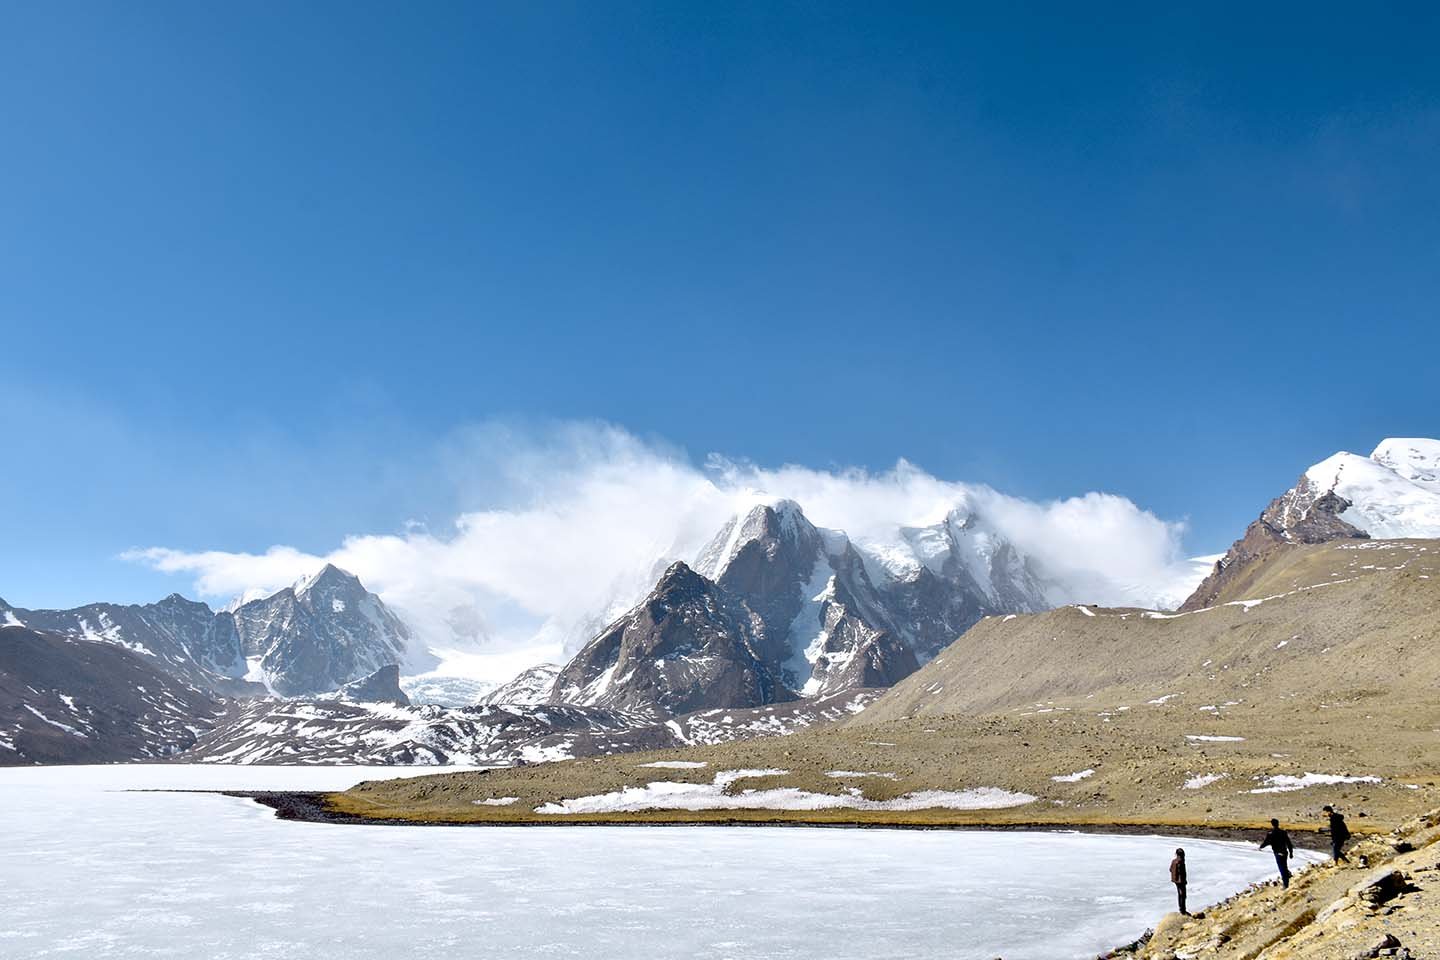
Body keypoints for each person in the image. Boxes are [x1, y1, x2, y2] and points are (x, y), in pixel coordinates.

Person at [1259, 818, 1295, 887]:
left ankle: (1286, 885)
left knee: (1282, 868)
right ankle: (1287, 877)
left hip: (1277, 853)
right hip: (1285, 852)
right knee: (1284, 866)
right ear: (1278, 824)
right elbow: (1289, 843)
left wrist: (1261, 847)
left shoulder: (1271, 834)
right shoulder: (1283, 832)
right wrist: (1291, 853)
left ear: (1272, 824)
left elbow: (1266, 842)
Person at [1170, 847, 1188, 915]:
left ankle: (1181, 909)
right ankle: (1183, 910)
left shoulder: (1174, 861)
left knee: (1180, 894)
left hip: (1176, 880)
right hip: (1181, 881)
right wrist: (1184, 880)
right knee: (1183, 895)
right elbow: (1183, 872)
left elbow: (1170, 869)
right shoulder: (1181, 861)